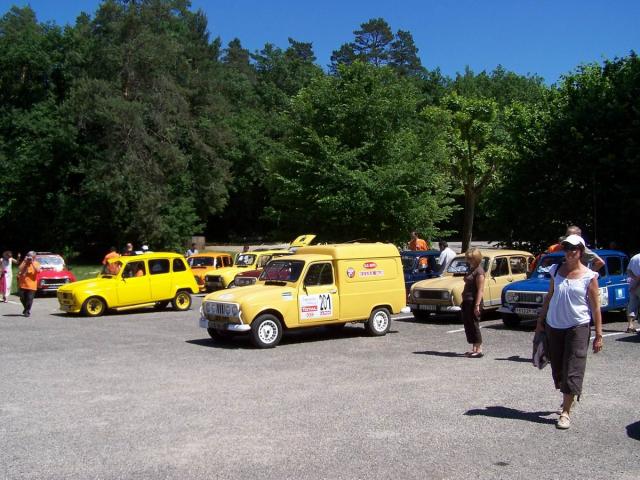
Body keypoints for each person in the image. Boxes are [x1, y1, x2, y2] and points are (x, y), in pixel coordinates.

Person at [535, 234, 603, 430]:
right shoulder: (556, 270)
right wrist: (541, 321)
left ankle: (565, 412)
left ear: (581, 251)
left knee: (573, 366)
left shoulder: (589, 276)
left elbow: (596, 307)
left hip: (578, 327)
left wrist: (598, 334)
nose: (570, 252)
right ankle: (568, 396)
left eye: (574, 248)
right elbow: (550, 296)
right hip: (554, 325)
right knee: (558, 368)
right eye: (567, 248)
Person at [461, 248, 485, 358]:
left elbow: (480, 290)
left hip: (474, 301)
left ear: (476, 259)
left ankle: (479, 349)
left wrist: (477, 305)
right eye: (467, 258)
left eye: (470, 258)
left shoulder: (479, 271)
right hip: (467, 300)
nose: (468, 260)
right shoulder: (472, 269)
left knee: (474, 324)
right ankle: (474, 348)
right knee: (468, 324)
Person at [17, 251, 41, 317]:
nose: (29, 257)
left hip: (32, 285)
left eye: (31, 256)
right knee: (22, 298)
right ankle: (26, 308)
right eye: (28, 256)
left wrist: (32, 262)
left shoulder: (36, 263)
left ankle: (27, 311)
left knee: (29, 299)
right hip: (23, 284)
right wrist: (25, 262)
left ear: (34, 257)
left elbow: (38, 271)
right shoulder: (24, 262)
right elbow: (19, 269)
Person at [625, 252, 640, 333]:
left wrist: (634, 281)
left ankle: (630, 325)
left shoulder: (634, 257)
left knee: (632, 305)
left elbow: (628, 270)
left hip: (632, 285)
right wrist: (636, 284)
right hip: (637, 285)